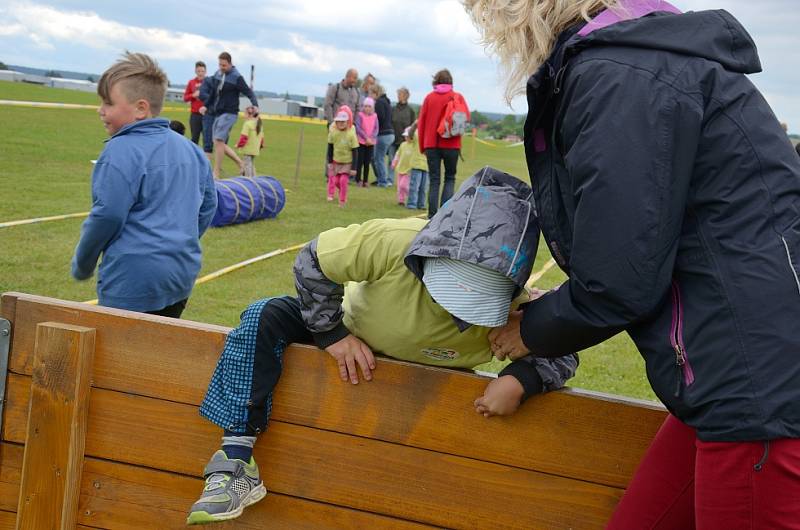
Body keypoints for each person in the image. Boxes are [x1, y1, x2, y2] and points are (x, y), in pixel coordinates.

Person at [464, 0, 800, 527]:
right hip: (725, 376)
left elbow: (620, 277)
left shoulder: (620, 76)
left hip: (755, 387)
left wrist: (534, 329)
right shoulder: (635, 62)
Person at [186, 167, 578, 524]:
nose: (455, 304)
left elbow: (567, 348)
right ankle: (235, 461)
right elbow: (312, 260)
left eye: (474, 300)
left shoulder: (514, 313)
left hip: (414, 418)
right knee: (265, 314)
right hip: (354, 334)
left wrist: (522, 379)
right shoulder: (394, 242)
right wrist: (332, 335)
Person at [71, 52, 217, 318]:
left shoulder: (119, 151)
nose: (100, 110)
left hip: (131, 280)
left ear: (141, 108)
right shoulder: (192, 150)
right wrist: (179, 242)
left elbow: (107, 215)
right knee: (157, 352)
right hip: (180, 276)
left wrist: (83, 263)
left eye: (108, 103)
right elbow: (208, 205)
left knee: (119, 356)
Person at [417, 69, 467, 218]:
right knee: (450, 178)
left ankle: (432, 216)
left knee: (434, 180)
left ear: (436, 81)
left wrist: (422, 146)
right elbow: (466, 117)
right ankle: (444, 216)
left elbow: (422, 123)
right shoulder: (457, 97)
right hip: (452, 144)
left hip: (431, 144)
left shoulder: (429, 98)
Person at [201, 52, 259, 178]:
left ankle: (216, 173)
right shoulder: (218, 74)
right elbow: (213, 93)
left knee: (218, 140)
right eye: (220, 64)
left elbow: (249, 92)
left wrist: (255, 104)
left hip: (230, 113)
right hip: (218, 112)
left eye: (224, 65)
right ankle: (241, 163)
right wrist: (205, 105)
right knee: (217, 143)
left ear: (230, 63)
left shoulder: (236, 77)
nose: (222, 67)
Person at [326, 107, 359, 206]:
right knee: (336, 181)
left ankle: (342, 200)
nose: (341, 124)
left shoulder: (351, 134)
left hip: (347, 162)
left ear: (348, 122)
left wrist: (354, 168)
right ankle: (342, 192)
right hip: (336, 161)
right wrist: (330, 162)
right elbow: (330, 148)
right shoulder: (333, 133)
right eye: (339, 121)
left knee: (343, 180)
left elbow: (355, 152)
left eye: (343, 122)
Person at [393, 123, 428, 210]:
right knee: (413, 186)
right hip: (416, 165)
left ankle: (421, 204)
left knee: (423, 188)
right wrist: (415, 124)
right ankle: (412, 204)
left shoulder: (428, 136)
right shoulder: (415, 136)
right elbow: (411, 134)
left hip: (426, 166)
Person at [388, 87, 415, 184]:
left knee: (405, 161)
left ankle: (406, 180)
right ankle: (390, 180)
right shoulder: (393, 109)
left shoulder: (410, 111)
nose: (399, 96)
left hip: (405, 141)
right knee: (391, 160)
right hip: (393, 139)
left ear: (406, 96)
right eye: (398, 94)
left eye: (401, 94)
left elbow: (413, 126)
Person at [370, 84, 394, 187]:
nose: (370, 96)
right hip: (390, 134)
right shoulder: (387, 102)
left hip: (383, 134)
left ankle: (383, 181)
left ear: (375, 93)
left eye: (371, 93)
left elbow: (380, 117)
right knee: (379, 158)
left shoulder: (379, 102)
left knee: (378, 158)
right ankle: (381, 178)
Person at [355, 97, 378, 187]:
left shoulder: (375, 116)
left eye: (369, 106)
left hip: (370, 142)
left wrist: (371, 138)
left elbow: (376, 129)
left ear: (372, 107)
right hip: (361, 141)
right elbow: (358, 128)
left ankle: (365, 180)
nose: (367, 108)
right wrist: (365, 137)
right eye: (365, 106)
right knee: (359, 161)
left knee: (367, 162)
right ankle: (358, 179)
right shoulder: (360, 115)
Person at [183, 61, 207, 146]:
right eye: (198, 71)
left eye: (202, 71)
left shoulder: (209, 82)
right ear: (195, 71)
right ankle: (194, 158)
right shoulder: (191, 82)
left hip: (207, 115)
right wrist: (193, 95)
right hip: (195, 115)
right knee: (194, 139)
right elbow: (185, 98)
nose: (200, 73)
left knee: (207, 140)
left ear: (205, 71)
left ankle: (206, 158)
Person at [236, 106, 264, 178]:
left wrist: (238, 145)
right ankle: (253, 177)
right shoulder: (259, 124)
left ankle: (248, 178)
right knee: (250, 163)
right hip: (255, 149)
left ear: (249, 114)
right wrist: (260, 146)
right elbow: (262, 138)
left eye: (245, 114)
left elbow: (244, 137)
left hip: (248, 149)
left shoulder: (247, 124)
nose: (244, 116)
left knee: (247, 164)